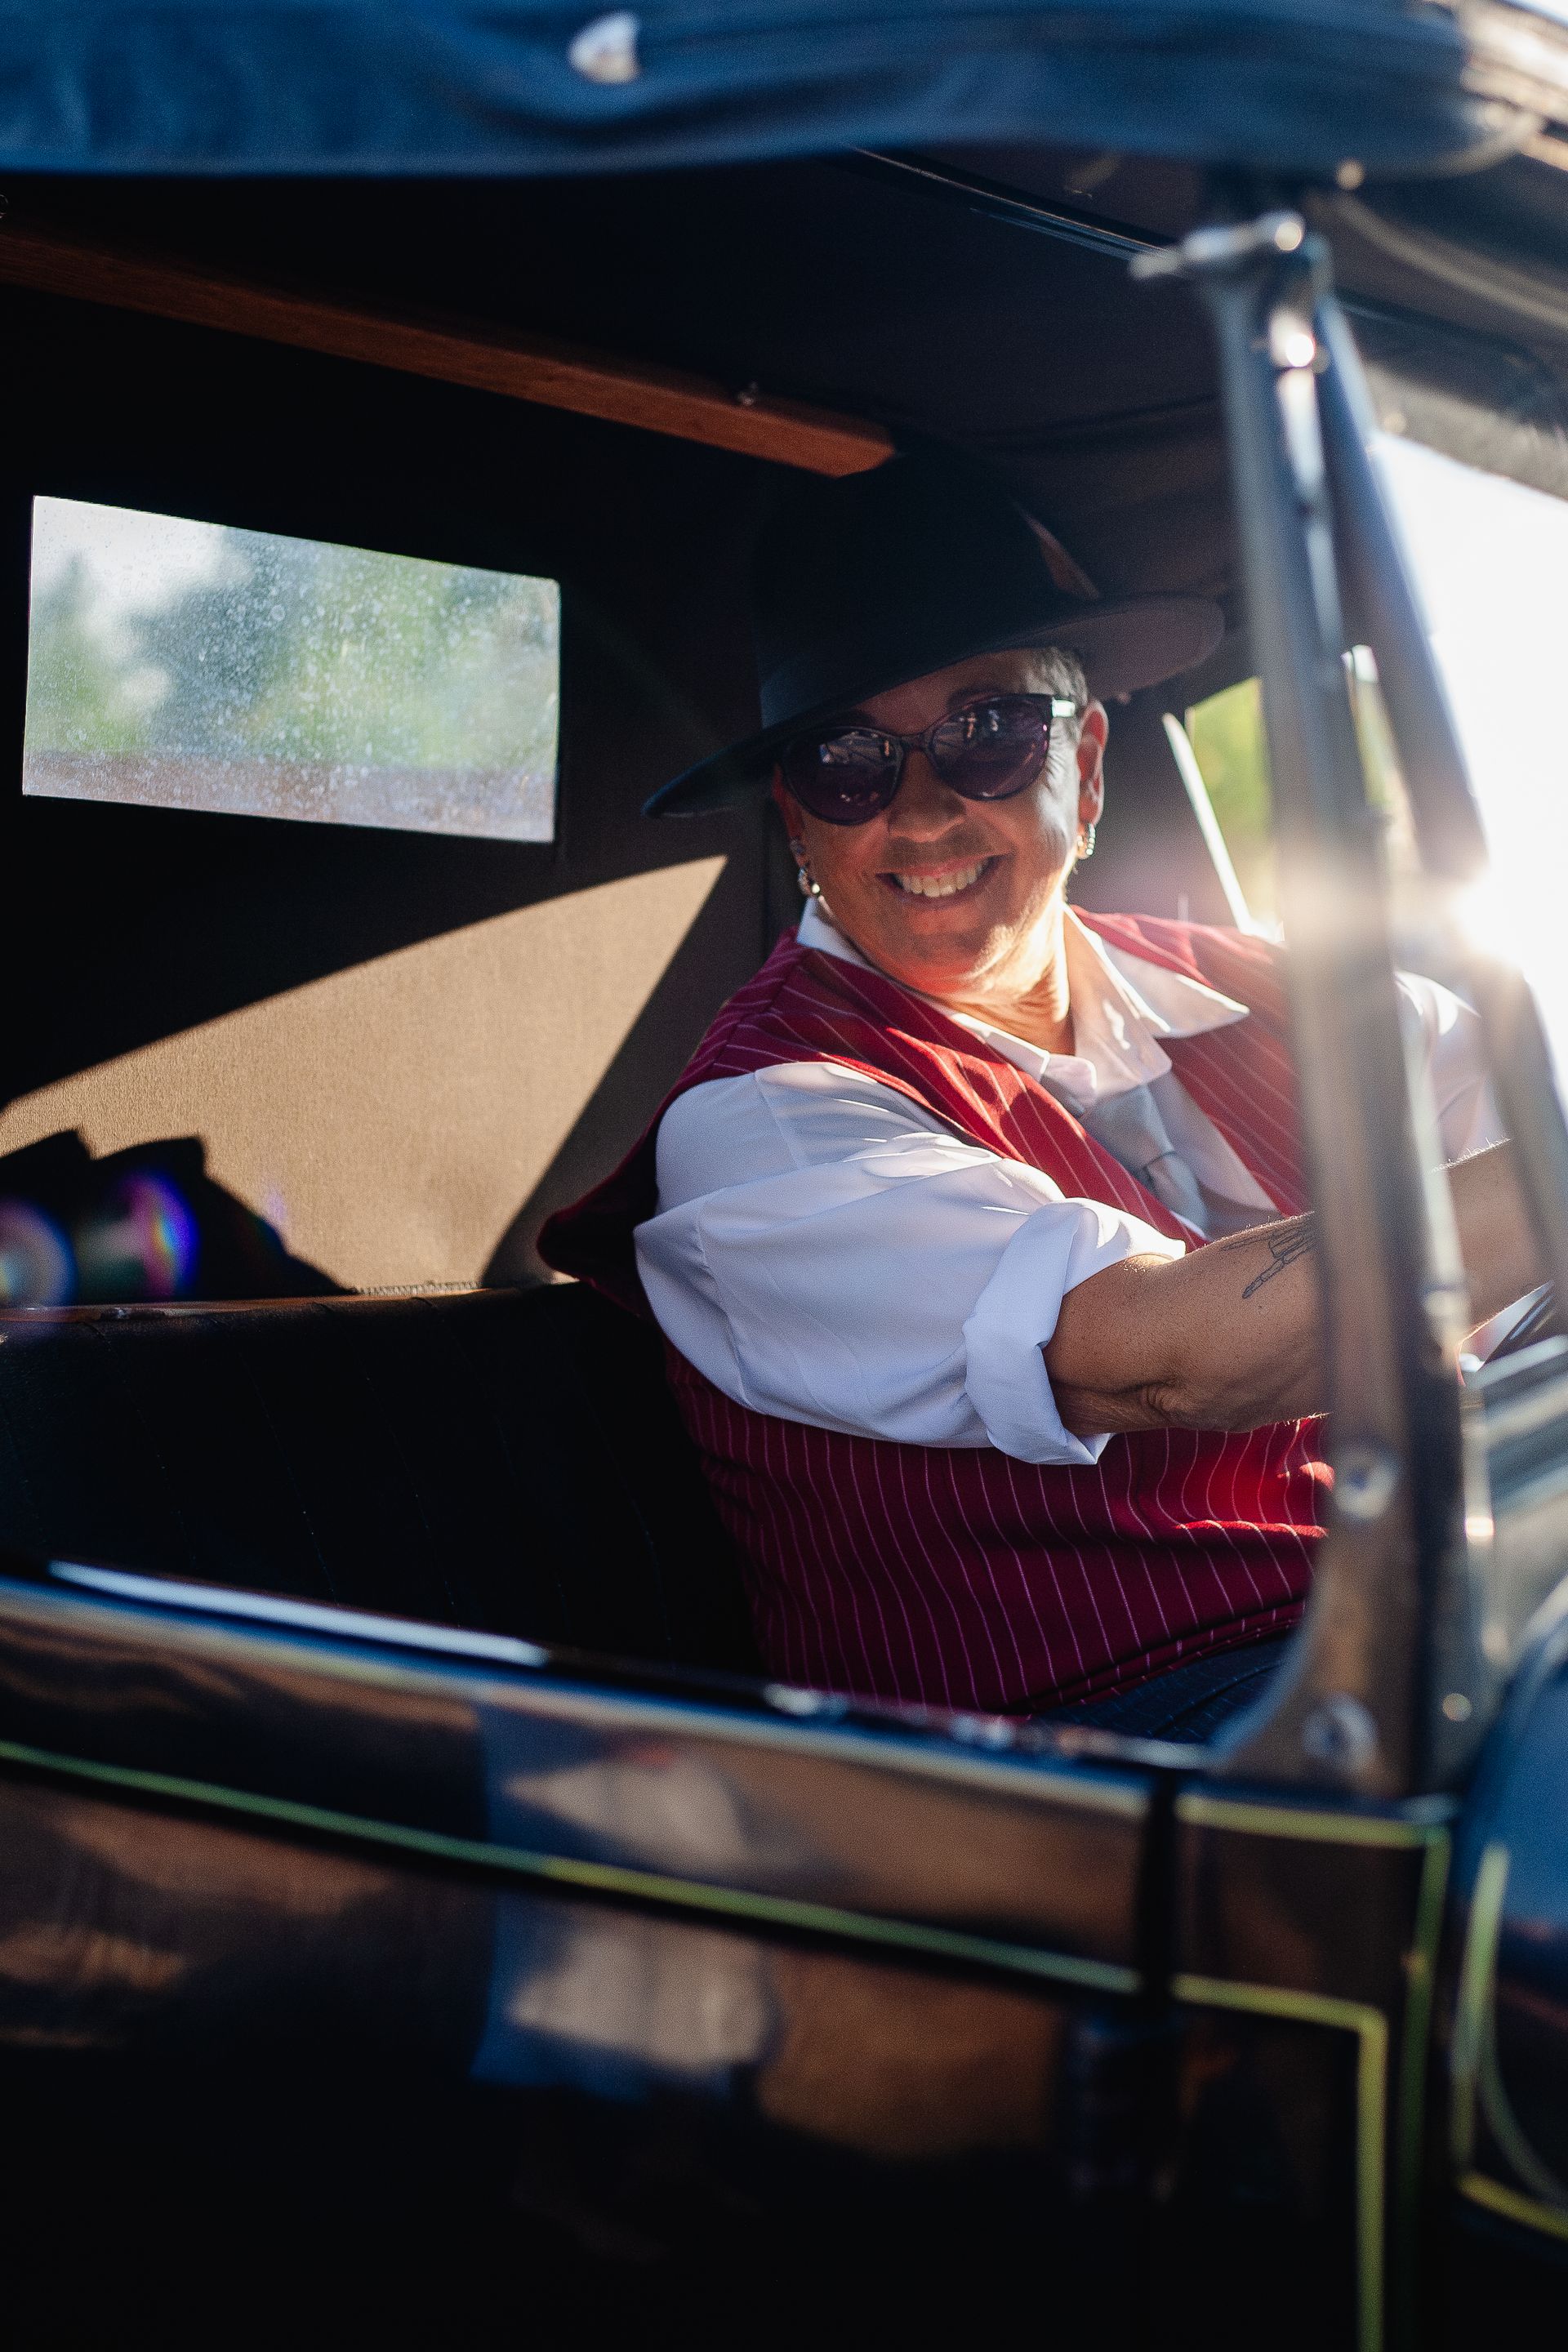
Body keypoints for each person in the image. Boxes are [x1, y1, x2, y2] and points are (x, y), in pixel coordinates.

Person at [540, 450, 1535, 1737]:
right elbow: (1175, 1361)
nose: (921, 814)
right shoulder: (770, 1120)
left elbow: (1527, 1208)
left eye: (989, 734)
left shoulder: (1317, 1002)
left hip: (1449, 1623)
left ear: (1092, 764)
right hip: (1095, 1757)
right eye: (849, 762)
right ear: (799, 818)